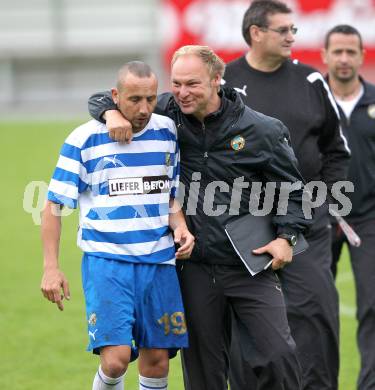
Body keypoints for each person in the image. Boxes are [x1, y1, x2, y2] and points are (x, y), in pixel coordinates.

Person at [88, 45, 313, 390]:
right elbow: (108, 97)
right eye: (176, 83)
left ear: (217, 80)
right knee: (204, 372)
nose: (181, 92)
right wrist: (110, 115)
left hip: (249, 265)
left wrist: (287, 237)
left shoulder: (262, 130)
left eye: (192, 84)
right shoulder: (166, 112)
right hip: (193, 267)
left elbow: (295, 191)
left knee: (277, 356)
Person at [40, 61, 195, 390]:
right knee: (115, 359)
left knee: (157, 361)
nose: (144, 109)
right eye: (134, 99)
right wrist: (50, 267)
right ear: (115, 96)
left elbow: (168, 196)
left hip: (159, 262)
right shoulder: (84, 139)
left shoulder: (167, 132)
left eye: (151, 99)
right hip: (107, 262)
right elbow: (53, 206)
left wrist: (179, 225)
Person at [222, 1, 351, 389]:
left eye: (294, 29)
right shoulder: (224, 81)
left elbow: (336, 151)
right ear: (256, 32)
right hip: (243, 230)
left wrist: (325, 206)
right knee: (247, 332)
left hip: (307, 227)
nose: (293, 36)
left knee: (317, 320)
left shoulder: (312, 82)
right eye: (284, 30)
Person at [322, 24, 375, 390]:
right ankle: (318, 383)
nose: (343, 59)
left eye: (350, 52)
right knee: (314, 310)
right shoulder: (311, 98)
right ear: (325, 55)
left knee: (373, 306)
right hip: (318, 217)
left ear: (361, 55)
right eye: (337, 51)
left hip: (369, 216)